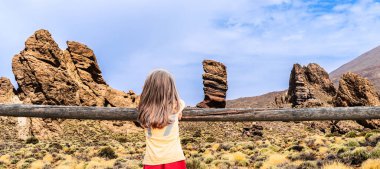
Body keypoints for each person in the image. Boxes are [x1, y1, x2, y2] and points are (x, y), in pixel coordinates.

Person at [137, 69, 187, 169]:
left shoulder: (143, 109)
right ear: (171, 88)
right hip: (174, 159)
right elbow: (181, 102)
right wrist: (178, 111)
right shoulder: (176, 106)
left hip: (151, 162)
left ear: (148, 89)